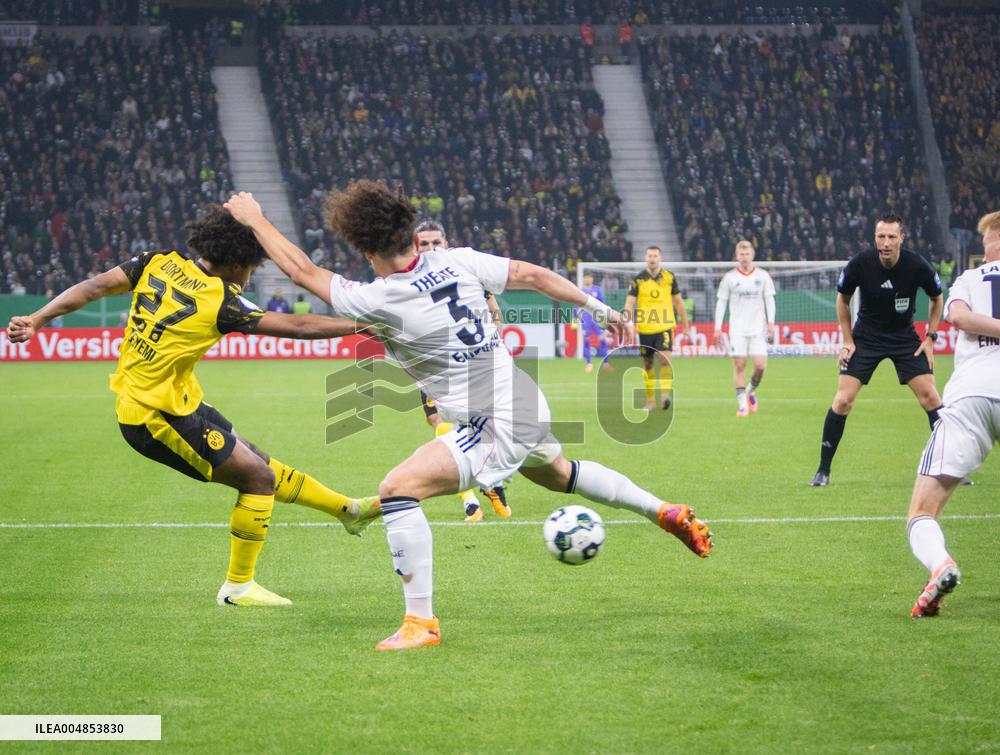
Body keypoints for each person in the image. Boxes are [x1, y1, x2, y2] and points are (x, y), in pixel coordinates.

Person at [224, 183, 713, 651]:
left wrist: (255, 219)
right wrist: (600, 311)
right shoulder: (457, 260)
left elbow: (302, 271)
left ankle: (420, 623)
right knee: (560, 474)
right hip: (523, 399)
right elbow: (537, 277)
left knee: (399, 488)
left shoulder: (378, 298)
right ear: (414, 237)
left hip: (494, 422)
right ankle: (663, 511)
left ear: (368, 252)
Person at [5, 205, 380, 607]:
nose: (250, 276)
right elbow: (299, 327)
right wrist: (364, 325)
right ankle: (238, 587)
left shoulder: (158, 262)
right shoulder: (221, 301)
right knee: (258, 480)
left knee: (256, 460)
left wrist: (38, 318)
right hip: (153, 417)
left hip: (176, 402)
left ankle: (347, 510)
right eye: (251, 267)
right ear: (237, 262)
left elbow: (94, 287)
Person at [906, 211, 1000, 617]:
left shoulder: (969, 279)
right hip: (973, 395)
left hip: (972, 396)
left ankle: (940, 565)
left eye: (986, 239)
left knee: (922, 511)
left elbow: (957, 316)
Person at [809, 212, 944, 487]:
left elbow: (937, 297)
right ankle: (823, 470)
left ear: (901, 239)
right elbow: (842, 300)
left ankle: (952, 467)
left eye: (892, 237)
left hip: (904, 337)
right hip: (866, 338)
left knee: (931, 397)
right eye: (881, 236)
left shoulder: (917, 265)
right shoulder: (860, 264)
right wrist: (848, 341)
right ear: (875, 238)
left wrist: (930, 337)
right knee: (843, 400)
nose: (886, 242)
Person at [412, 219, 510, 523]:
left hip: (476, 363)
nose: (430, 248)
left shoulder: (466, 269)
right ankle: (470, 502)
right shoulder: (406, 278)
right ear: (415, 246)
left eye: (435, 242)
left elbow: (494, 310)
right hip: (435, 363)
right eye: (424, 243)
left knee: (483, 427)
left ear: (446, 242)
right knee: (437, 421)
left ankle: (491, 480)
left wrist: (495, 339)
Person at [713, 240, 776, 416]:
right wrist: (717, 328)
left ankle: (750, 391)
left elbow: (769, 300)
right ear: (736, 256)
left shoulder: (762, 276)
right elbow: (721, 302)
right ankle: (742, 405)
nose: (744, 257)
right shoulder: (730, 277)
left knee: (760, 366)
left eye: (747, 254)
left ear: (752, 255)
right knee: (739, 365)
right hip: (737, 329)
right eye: (741, 254)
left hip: (758, 329)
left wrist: (771, 323)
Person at [624, 245, 690, 412]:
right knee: (647, 365)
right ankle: (650, 400)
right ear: (645, 258)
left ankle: (666, 395)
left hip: (665, 326)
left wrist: (686, 326)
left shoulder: (669, 277)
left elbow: (678, 302)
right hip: (645, 328)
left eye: (655, 256)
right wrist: (627, 322)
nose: (652, 259)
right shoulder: (638, 280)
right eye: (649, 256)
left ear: (660, 258)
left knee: (665, 359)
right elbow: (630, 302)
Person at [576, 272, 613, 374]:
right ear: (583, 279)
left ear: (592, 279)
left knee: (602, 340)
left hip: (597, 319)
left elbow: (603, 303)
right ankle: (589, 364)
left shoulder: (597, 289)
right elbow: (576, 305)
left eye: (589, 277)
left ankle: (605, 363)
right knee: (586, 341)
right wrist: (576, 318)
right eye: (586, 277)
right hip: (586, 320)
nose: (588, 279)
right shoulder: (580, 291)